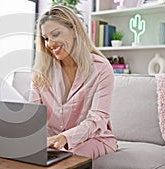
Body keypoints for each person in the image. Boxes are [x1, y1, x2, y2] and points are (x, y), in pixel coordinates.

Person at [29, 5, 117, 159]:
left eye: (55, 34)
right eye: (46, 38)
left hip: (94, 139)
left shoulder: (100, 69)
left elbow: (97, 119)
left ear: (74, 31)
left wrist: (65, 138)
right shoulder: (41, 73)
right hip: (52, 143)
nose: (49, 44)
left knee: (65, 159)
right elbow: (33, 117)